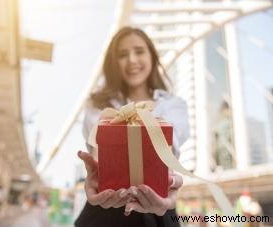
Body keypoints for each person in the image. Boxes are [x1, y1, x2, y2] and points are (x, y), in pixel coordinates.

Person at [75, 26, 190, 227]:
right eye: (122, 55)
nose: (132, 60)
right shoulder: (98, 103)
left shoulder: (173, 104)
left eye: (139, 51)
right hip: (105, 204)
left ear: (152, 57)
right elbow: (99, 150)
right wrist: (97, 172)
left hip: (159, 205)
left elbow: (169, 144)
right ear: (113, 63)